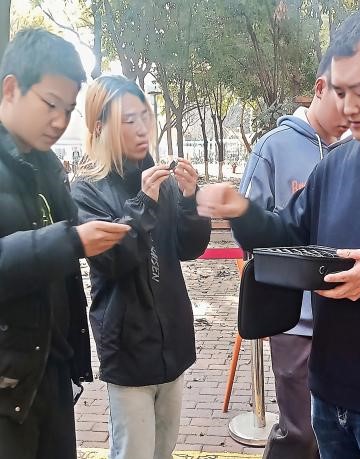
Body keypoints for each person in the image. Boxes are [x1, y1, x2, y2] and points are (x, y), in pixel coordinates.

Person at [196, 8, 360, 459]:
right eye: (340, 92)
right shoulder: (334, 166)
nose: (347, 107)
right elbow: (286, 236)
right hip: (327, 398)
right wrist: (241, 210)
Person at [0, 29, 130, 459]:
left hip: (50, 374)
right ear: (11, 89)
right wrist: (70, 240)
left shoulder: (49, 168)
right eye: (50, 104)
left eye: (69, 109)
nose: (59, 121)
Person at [71, 75, 211, 459]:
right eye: (127, 119)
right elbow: (110, 260)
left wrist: (190, 199)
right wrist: (143, 204)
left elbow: (188, 248)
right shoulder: (87, 188)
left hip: (172, 341)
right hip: (128, 348)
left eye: (144, 117)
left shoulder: (160, 179)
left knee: (164, 450)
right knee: (134, 451)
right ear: (99, 126)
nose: (141, 129)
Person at [239, 49, 348, 459]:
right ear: (320, 88)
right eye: (343, 94)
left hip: (348, 318)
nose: (351, 109)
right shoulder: (273, 148)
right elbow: (250, 232)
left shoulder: (357, 153)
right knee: (300, 433)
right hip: (294, 322)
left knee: (336, 435)